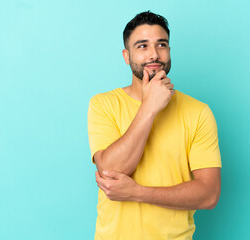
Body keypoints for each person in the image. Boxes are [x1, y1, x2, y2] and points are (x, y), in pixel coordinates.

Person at [87, 10, 222, 240]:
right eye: (142, 46)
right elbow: (110, 172)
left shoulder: (198, 112)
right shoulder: (103, 104)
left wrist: (138, 193)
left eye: (162, 44)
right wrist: (149, 108)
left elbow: (209, 195)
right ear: (126, 56)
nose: (154, 54)